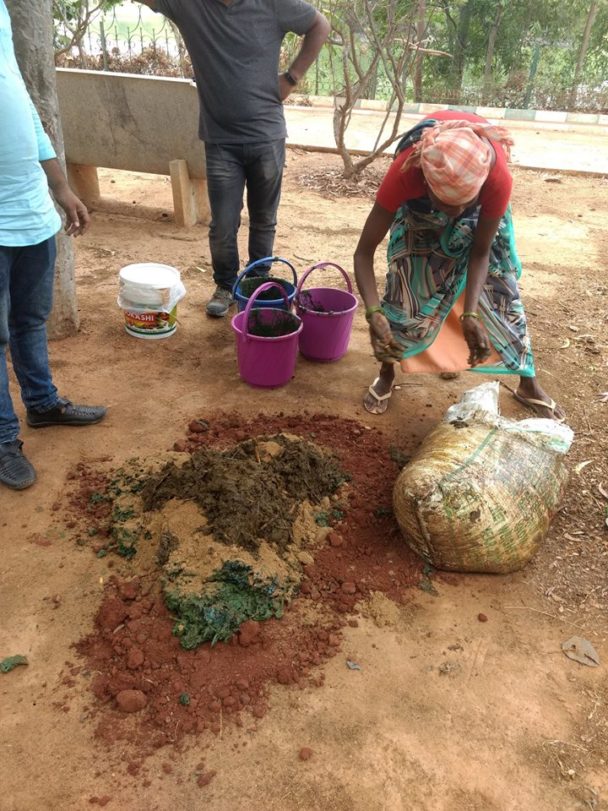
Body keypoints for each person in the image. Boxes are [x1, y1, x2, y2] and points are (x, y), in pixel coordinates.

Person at [354, 110, 564, 420]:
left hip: (477, 201)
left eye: (467, 203)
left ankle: (528, 384)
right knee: (405, 285)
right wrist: (373, 313)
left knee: (501, 289)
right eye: (448, 205)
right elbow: (363, 253)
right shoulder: (406, 173)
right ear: (426, 183)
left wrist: (471, 312)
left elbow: (480, 253)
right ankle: (387, 372)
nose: (458, 213)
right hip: (420, 213)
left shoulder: (495, 178)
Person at [134, 0, 330, 317]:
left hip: (267, 136)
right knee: (223, 224)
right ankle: (226, 285)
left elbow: (320, 25)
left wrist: (292, 77)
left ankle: (257, 284)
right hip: (221, 140)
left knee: (264, 220)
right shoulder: (188, 6)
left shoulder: (273, 4)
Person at [0, 0, 106, 491]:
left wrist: (60, 188)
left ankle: (42, 405)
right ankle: (3, 439)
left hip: (32, 215)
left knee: (29, 320)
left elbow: (20, 101)